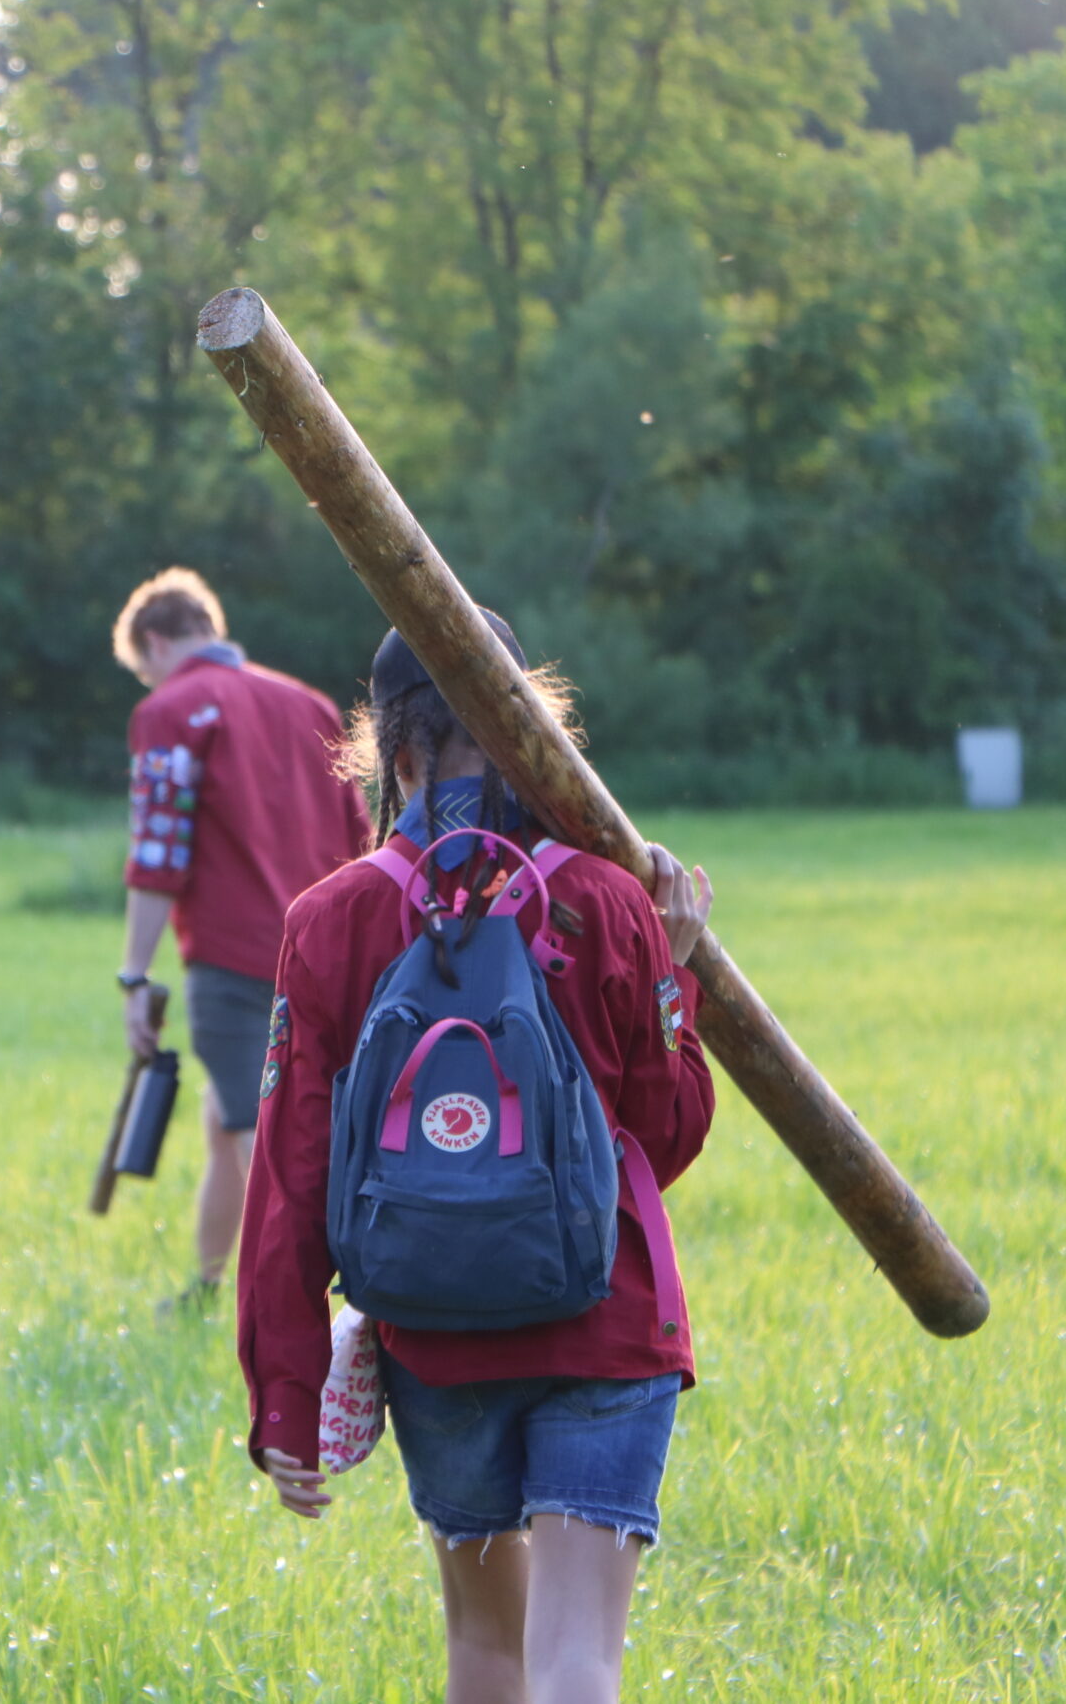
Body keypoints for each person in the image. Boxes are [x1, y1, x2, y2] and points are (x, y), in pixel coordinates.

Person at [238, 615, 717, 1704]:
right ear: (525, 725)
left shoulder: (330, 920)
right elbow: (668, 1131)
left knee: (485, 1655)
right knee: (577, 1659)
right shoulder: (605, 901)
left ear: (387, 746)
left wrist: (284, 1390)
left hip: (434, 1336)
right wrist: (671, 978)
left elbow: (290, 1173)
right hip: (607, 1321)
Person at [111, 567, 370, 1309]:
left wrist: (135, 973)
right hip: (329, 954)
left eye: (141, 670)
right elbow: (363, 838)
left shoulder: (172, 710)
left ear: (156, 644)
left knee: (264, 1136)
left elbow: (158, 852)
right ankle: (208, 1282)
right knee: (228, 1119)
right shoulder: (312, 703)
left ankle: (312, 1302)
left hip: (233, 957)